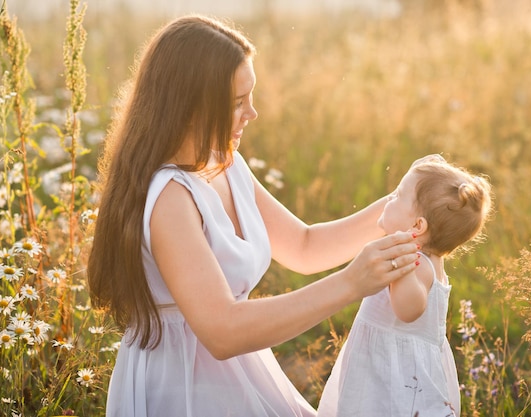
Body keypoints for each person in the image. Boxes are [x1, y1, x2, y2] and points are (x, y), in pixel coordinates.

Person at [86, 14, 420, 417]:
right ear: (191, 107)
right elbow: (222, 331)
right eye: (237, 103)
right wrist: (351, 283)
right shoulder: (169, 197)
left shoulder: (224, 163)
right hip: (182, 390)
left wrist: (406, 200)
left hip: (240, 373)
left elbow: (303, 245)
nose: (253, 113)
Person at [317, 155, 493, 417]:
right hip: (394, 368)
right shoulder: (432, 257)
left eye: (397, 195)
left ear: (417, 227)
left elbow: (409, 310)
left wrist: (400, 267)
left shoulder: (416, 264)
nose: (388, 199)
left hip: (393, 380)